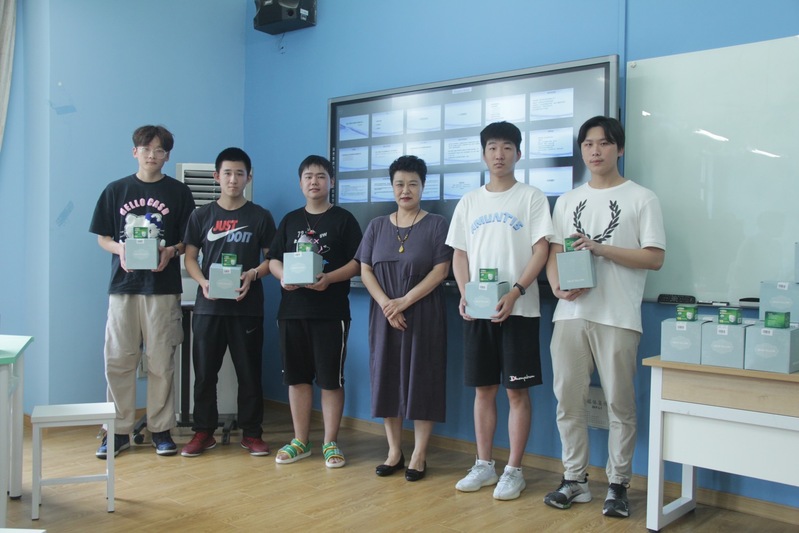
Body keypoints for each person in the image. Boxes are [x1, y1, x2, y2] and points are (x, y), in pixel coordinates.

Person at [543, 116, 665, 518]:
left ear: (620, 149)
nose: (595, 151)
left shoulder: (641, 198)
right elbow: (554, 252)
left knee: (619, 404)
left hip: (618, 316)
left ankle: (618, 485)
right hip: (570, 314)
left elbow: (654, 257)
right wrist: (557, 287)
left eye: (604, 143)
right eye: (588, 144)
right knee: (568, 401)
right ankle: (574, 479)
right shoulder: (567, 200)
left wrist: (600, 249)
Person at [445, 121, 553, 500]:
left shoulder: (532, 197)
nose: (499, 154)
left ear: (518, 154)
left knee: (516, 393)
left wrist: (518, 291)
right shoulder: (469, 201)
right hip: (479, 312)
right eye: (492, 147)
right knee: (484, 390)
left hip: (519, 311)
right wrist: (465, 293)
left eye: (507, 147)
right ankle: (484, 464)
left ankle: (514, 470)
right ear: (483, 154)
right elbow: (460, 254)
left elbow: (541, 250)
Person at [89, 125, 196, 458]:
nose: (152, 155)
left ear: (167, 155)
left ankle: (160, 429)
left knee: (161, 360)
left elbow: (187, 240)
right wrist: (119, 249)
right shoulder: (116, 190)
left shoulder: (179, 192)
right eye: (146, 149)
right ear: (135, 152)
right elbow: (103, 238)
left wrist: (171, 251)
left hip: (163, 289)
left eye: (159, 150)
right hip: (123, 288)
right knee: (118, 359)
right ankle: (117, 431)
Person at [357, 155, 452, 482]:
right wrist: (387, 304)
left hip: (423, 313)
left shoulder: (437, 224)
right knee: (386, 377)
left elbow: (441, 270)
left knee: (423, 379)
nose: (405, 190)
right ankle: (394, 451)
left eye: (413, 183)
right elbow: (365, 269)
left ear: (423, 186)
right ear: (392, 187)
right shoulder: (376, 226)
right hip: (384, 315)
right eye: (399, 184)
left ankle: (419, 454)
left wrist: (404, 302)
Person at [180, 147, 276, 457]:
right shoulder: (201, 215)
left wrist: (253, 274)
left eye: (239, 173)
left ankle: (252, 433)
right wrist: (202, 281)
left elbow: (272, 260)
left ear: (249, 177)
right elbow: (190, 257)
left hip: (247, 308)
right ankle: (203, 432)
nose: (233, 179)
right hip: (208, 307)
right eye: (227, 173)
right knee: (205, 373)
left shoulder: (260, 216)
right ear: (216, 177)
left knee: (249, 373)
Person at [268, 155, 362, 468]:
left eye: (321, 176)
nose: (314, 181)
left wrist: (329, 279)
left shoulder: (344, 219)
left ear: (331, 182)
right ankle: (300, 441)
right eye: (308, 176)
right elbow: (273, 259)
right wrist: (283, 277)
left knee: (331, 380)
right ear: (300, 183)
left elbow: (358, 262)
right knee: (297, 379)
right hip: (292, 311)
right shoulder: (290, 220)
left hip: (330, 312)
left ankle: (330, 442)